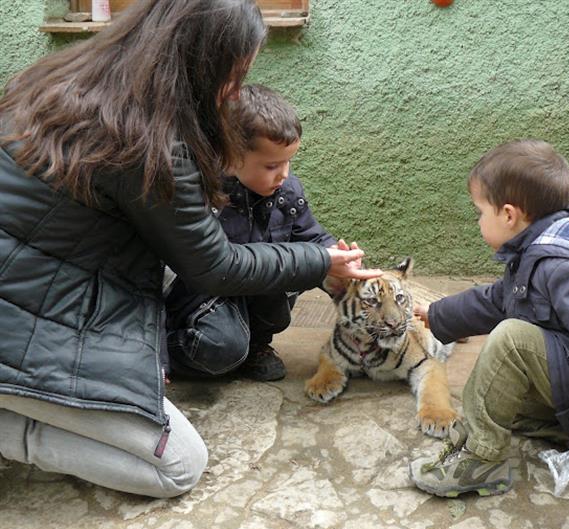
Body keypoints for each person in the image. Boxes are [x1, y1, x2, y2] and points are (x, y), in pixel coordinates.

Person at [0, 0, 380, 499]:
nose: (234, 91)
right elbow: (214, 266)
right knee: (178, 466)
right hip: (20, 323)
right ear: (203, 61)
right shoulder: (146, 138)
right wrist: (319, 263)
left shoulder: (57, 80)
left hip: (35, 288)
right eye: (236, 73)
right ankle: (14, 429)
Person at [409, 139, 569, 497]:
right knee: (501, 399)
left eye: (480, 212)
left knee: (510, 340)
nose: (479, 220)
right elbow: (500, 299)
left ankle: (484, 460)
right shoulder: (540, 248)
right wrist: (439, 314)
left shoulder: (564, 265)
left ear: (509, 214)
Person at [164, 84, 345, 382]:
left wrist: (339, 261)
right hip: (205, 298)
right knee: (224, 348)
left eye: (288, 162)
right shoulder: (202, 196)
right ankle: (179, 349)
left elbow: (310, 236)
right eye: (272, 165)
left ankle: (257, 345)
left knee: (289, 273)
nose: (284, 174)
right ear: (231, 155)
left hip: (254, 290)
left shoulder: (286, 191)